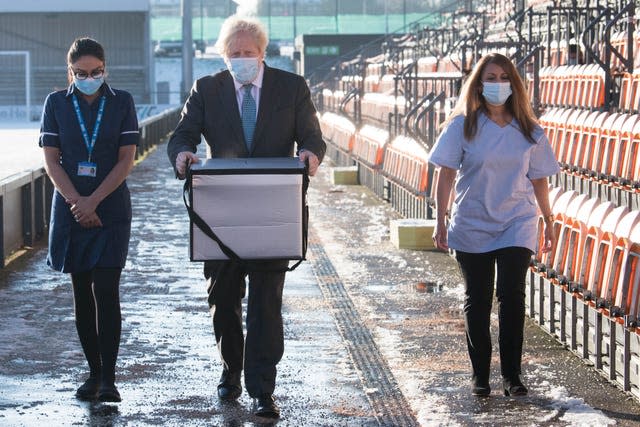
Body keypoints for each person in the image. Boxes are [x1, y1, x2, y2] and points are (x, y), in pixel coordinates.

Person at [167, 15, 325, 418]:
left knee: (266, 304)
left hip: (274, 210)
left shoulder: (291, 88)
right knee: (222, 299)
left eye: (248, 53)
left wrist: (310, 153)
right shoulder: (207, 89)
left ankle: (261, 387)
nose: (241, 59)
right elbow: (183, 134)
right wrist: (182, 154)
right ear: (224, 56)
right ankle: (230, 369)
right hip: (221, 212)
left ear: (262, 53)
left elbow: (311, 136)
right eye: (234, 53)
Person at [428, 53, 559, 398]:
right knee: (478, 297)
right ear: (478, 83)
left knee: (512, 295)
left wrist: (548, 219)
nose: (497, 84)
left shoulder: (529, 130)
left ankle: (513, 377)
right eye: (491, 77)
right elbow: (445, 175)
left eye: (504, 77)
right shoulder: (462, 126)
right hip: (472, 219)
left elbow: (540, 179)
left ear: (514, 84)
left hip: (518, 219)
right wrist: (440, 217)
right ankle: (480, 374)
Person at [39, 37, 139, 402]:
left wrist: (93, 200)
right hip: (70, 207)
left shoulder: (122, 102)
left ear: (105, 68)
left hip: (110, 208)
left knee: (106, 290)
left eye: (96, 72)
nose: (89, 77)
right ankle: (93, 373)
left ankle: (110, 379)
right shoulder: (56, 103)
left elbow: (126, 159)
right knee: (82, 293)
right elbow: (52, 160)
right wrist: (77, 203)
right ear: (71, 72)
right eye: (81, 73)